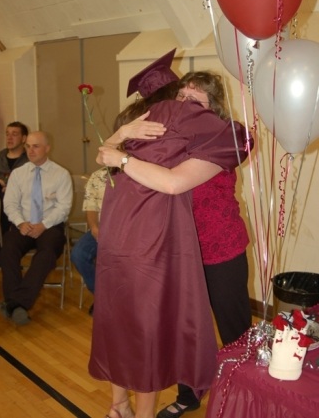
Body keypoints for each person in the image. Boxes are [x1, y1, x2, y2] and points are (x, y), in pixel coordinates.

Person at [88, 49, 252, 418]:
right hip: (174, 250)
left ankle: (243, 397)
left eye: (196, 100)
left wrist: (125, 159)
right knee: (181, 327)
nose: (185, 104)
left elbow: (173, 184)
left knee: (234, 331)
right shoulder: (168, 137)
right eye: (180, 96)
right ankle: (190, 393)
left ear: (214, 109)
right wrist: (123, 133)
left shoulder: (218, 143)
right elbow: (105, 158)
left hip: (217, 250)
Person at [0, 131, 73, 325]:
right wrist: (20, 223)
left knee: (47, 253)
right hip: (23, 224)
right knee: (8, 249)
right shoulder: (19, 173)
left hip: (50, 226)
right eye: (28, 146)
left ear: (47, 148)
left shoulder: (61, 174)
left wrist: (44, 225)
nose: (30, 150)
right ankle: (17, 304)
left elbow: (64, 207)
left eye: (36, 146)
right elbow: (10, 204)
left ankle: (15, 303)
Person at [70, 167, 108, 316]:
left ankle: (122, 299)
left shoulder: (135, 172)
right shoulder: (98, 176)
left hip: (128, 233)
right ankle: (102, 297)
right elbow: (90, 207)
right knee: (79, 254)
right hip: (102, 229)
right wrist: (94, 227)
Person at [0, 121, 29, 239]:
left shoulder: (29, 160)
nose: (9, 138)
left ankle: (7, 242)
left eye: (14, 134)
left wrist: (12, 188)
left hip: (21, 200)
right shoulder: (0, 157)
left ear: (24, 138)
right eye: (7, 134)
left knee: (9, 196)